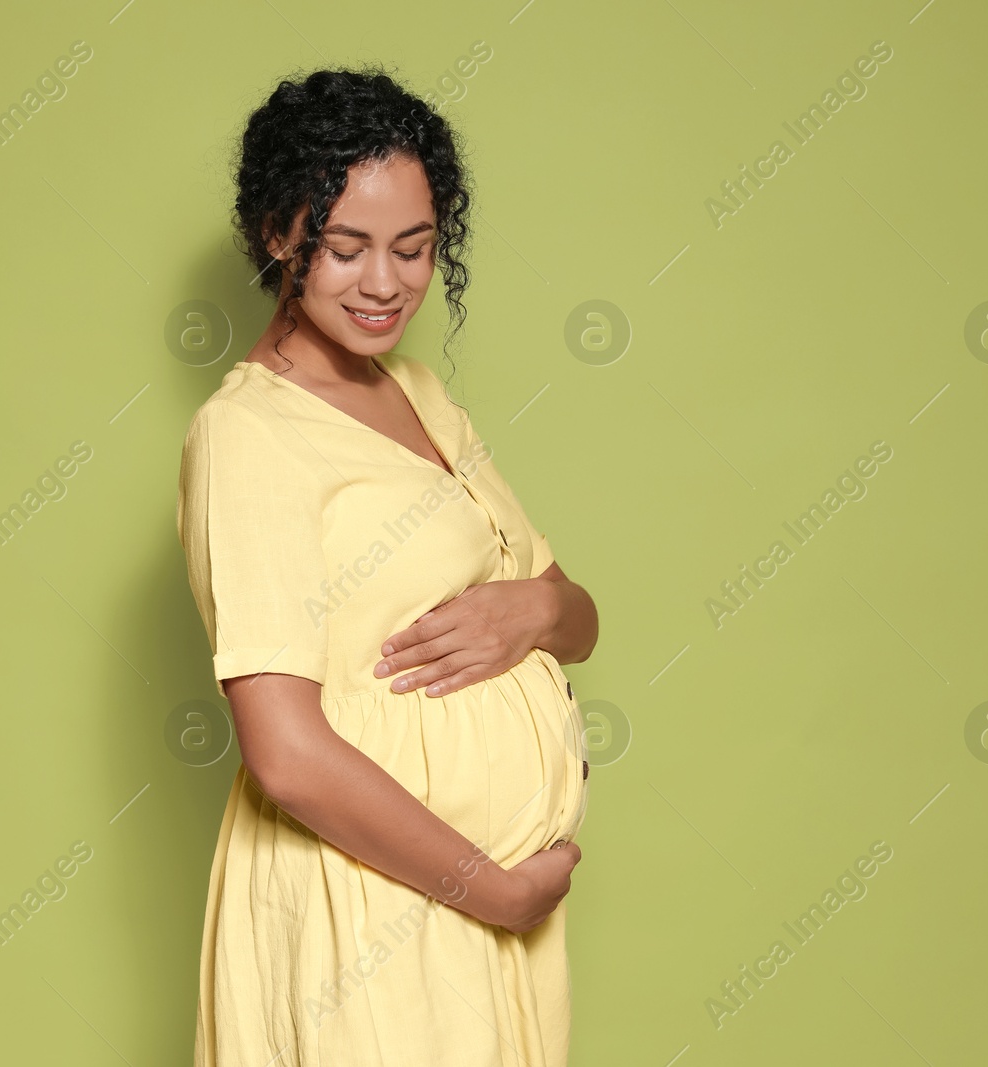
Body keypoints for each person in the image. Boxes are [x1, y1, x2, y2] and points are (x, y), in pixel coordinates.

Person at [177, 66, 600, 1067]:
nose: (384, 283)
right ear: (279, 233)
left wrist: (527, 617)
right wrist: (492, 890)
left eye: (414, 248)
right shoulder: (246, 435)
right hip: (370, 909)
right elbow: (283, 752)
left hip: (469, 918)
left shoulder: (418, 391)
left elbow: (576, 610)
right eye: (347, 246)